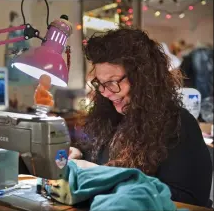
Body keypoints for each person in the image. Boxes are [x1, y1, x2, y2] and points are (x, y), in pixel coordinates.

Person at [69, 28, 212, 207]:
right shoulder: (110, 117)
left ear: (143, 78)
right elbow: (94, 154)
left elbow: (189, 199)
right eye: (100, 83)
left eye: (113, 82)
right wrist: (78, 154)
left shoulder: (179, 124)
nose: (105, 92)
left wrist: (103, 176)